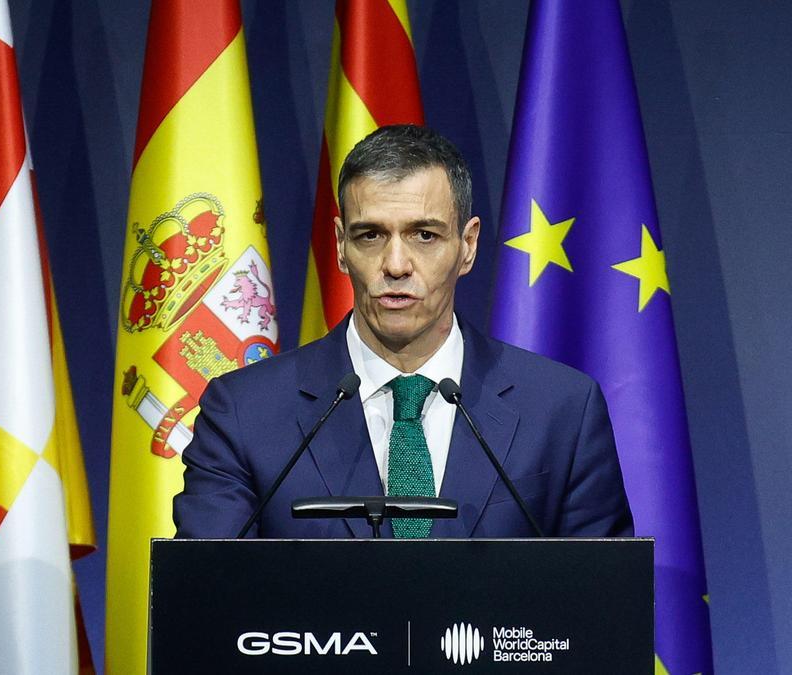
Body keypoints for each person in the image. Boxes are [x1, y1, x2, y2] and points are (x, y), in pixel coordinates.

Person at [174, 125, 632, 538]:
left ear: (467, 246)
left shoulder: (561, 411)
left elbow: (599, 609)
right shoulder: (243, 413)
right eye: (370, 235)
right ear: (339, 247)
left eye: (424, 235)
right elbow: (208, 603)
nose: (395, 265)